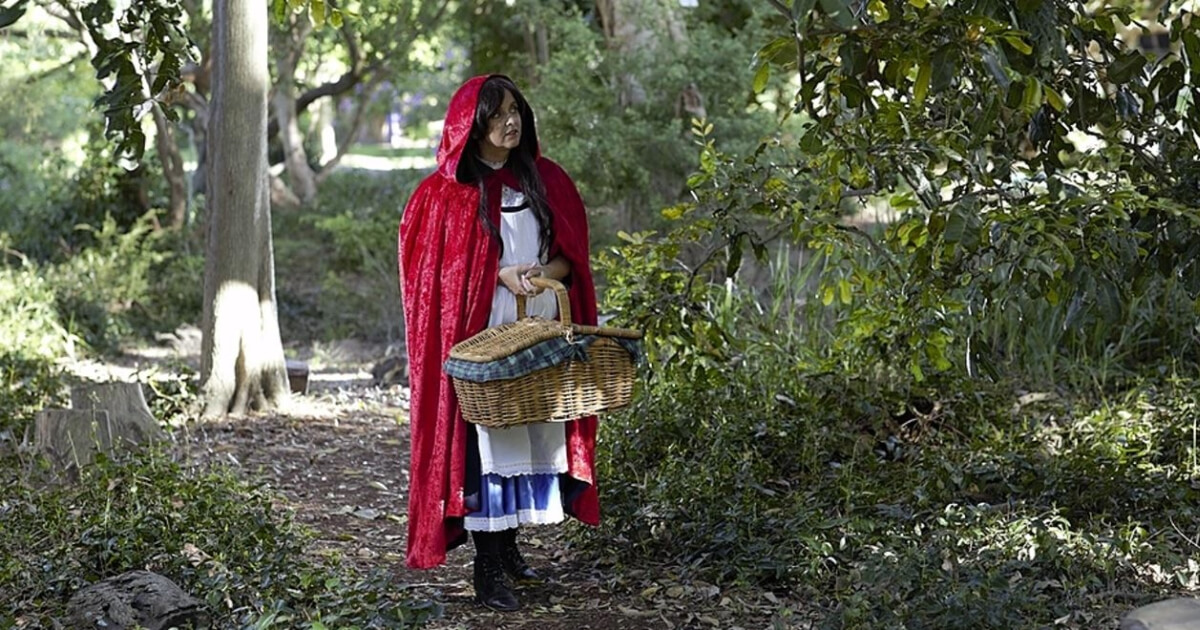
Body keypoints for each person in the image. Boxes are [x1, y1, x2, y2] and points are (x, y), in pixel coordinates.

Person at [397, 74, 600, 612]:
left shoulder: (547, 180)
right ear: (473, 124)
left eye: (515, 111)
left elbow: (569, 258)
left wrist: (537, 273)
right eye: (496, 114)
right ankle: (486, 569)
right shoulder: (442, 194)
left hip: (534, 327)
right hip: (478, 335)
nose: (509, 122)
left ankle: (510, 547)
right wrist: (497, 276)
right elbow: (433, 281)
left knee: (531, 430)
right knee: (486, 445)